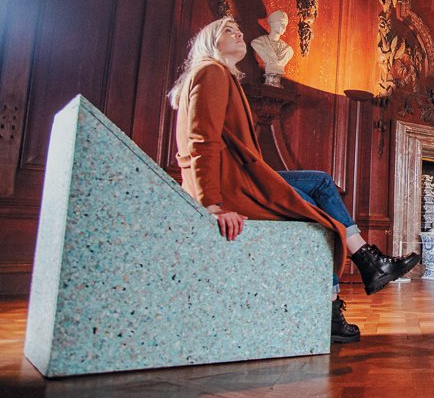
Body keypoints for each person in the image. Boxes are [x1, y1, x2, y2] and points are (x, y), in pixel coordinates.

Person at [168, 17, 420, 344]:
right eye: (229, 30)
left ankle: (361, 270)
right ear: (210, 41)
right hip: (230, 187)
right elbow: (201, 141)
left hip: (238, 179)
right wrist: (212, 205)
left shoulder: (220, 76)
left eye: (238, 28)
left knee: (320, 185)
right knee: (319, 208)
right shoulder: (211, 72)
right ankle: (357, 275)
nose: (239, 33)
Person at [250, 10, 294, 87]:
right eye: (281, 23)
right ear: (272, 24)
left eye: (285, 25)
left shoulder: (288, 50)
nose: (284, 27)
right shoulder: (258, 43)